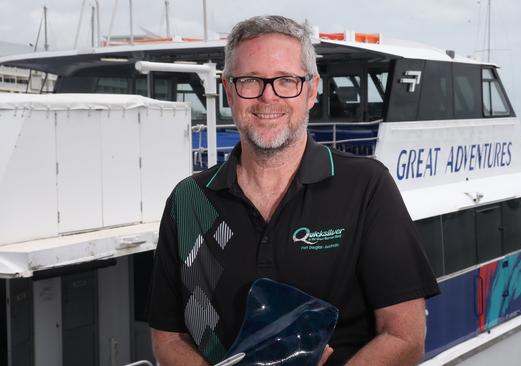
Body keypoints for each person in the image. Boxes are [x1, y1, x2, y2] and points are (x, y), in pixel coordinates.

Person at [147, 15, 439, 366]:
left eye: (286, 81)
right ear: (228, 91)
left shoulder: (366, 186)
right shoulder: (188, 200)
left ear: (312, 90)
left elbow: (405, 338)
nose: (267, 97)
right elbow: (169, 339)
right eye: (250, 81)